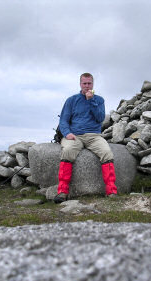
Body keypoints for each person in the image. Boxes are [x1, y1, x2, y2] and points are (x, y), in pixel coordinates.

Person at [53, 73, 117, 203]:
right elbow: (63, 121)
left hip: (94, 136)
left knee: (107, 152)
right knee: (67, 151)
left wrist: (91, 101)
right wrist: (67, 133)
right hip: (74, 135)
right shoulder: (71, 100)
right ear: (80, 84)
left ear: (93, 84)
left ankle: (111, 191)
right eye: (84, 83)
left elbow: (100, 118)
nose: (87, 86)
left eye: (89, 83)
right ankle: (62, 192)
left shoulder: (99, 100)